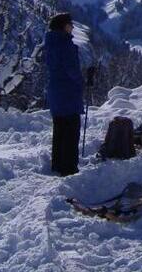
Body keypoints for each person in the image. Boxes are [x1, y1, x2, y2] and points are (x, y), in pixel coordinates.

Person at [44, 12, 85, 176]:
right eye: (70, 24)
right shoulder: (65, 45)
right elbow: (72, 70)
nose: (72, 27)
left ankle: (58, 164)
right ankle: (69, 168)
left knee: (59, 129)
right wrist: (82, 81)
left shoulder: (51, 43)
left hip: (55, 91)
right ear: (63, 26)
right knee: (71, 130)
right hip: (68, 92)